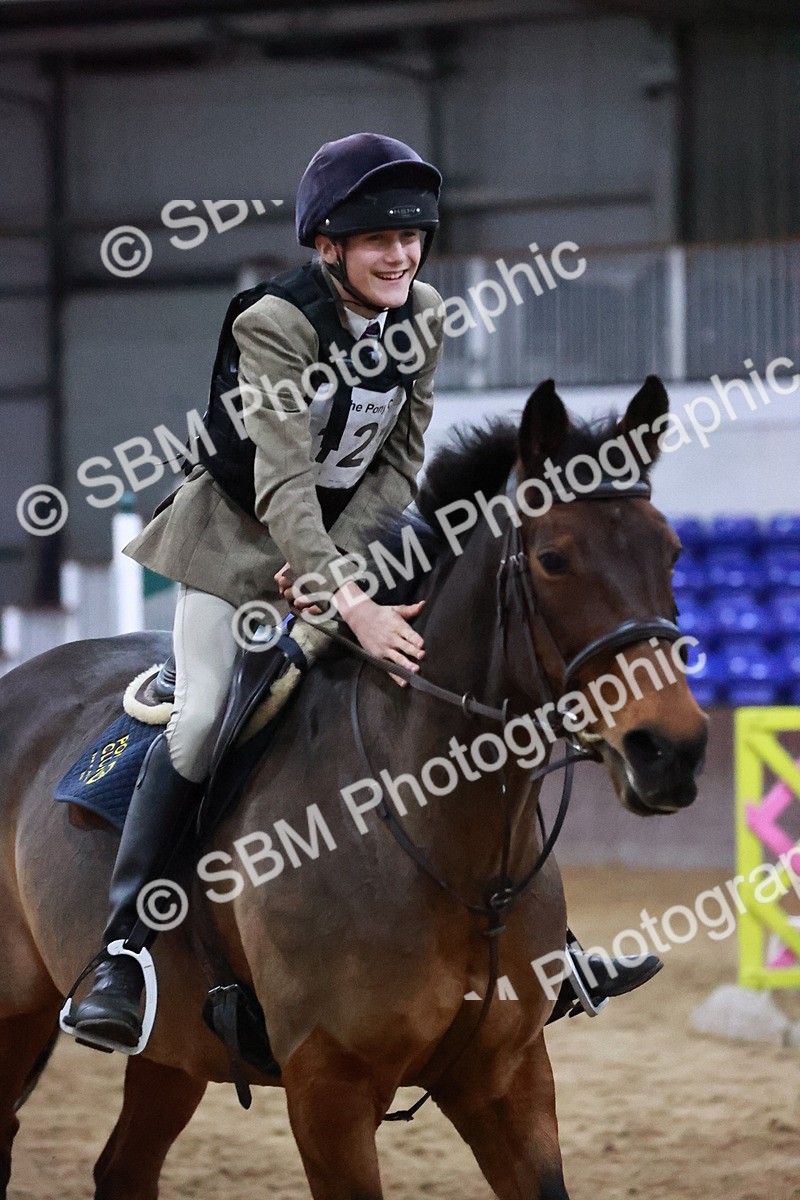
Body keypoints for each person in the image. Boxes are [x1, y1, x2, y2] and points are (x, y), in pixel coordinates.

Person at [71, 131, 660, 1053]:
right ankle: (123, 950)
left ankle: (550, 941)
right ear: (327, 247)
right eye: (378, 239)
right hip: (235, 542)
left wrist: (358, 566)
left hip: (349, 538)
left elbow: (396, 465)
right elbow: (281, 484)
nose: (401, 254)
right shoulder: (272, 323)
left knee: (477, 659)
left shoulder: (420, 313)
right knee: (198, 719)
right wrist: (345, 602)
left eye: (414, 236)